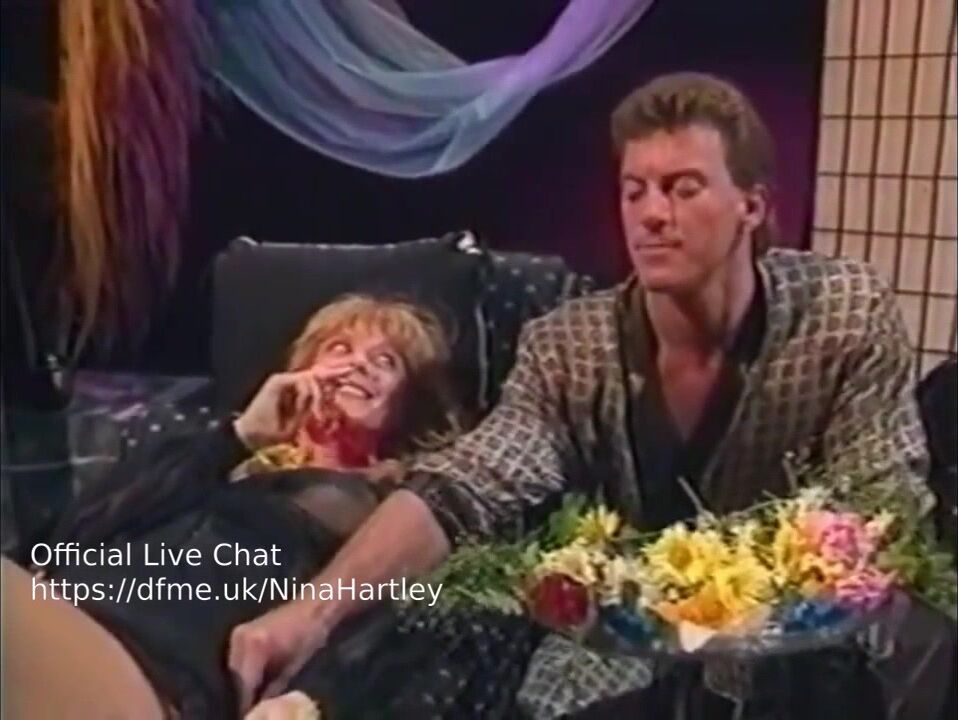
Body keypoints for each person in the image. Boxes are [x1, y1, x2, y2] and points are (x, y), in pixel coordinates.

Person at [225, 72, 949, 719]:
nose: (652, 214)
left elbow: (882, 503)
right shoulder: (570, 346)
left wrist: (762, 599)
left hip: (794, 649)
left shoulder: (841, 315)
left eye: (683, 188)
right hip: (611, 651)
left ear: (751, 206)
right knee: (461, 601)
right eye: (636, 190)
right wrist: (309, 616)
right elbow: (465, 483)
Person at [1, 294, 468, 719]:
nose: (358, 364)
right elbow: (77, 532)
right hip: (62, 623)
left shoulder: (396, 513)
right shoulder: (215, 457)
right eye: (340, 348)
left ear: (409, 405)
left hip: (149, 673)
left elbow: (407, 618)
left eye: (385, 361)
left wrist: (315, 696)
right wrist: (239, 436)